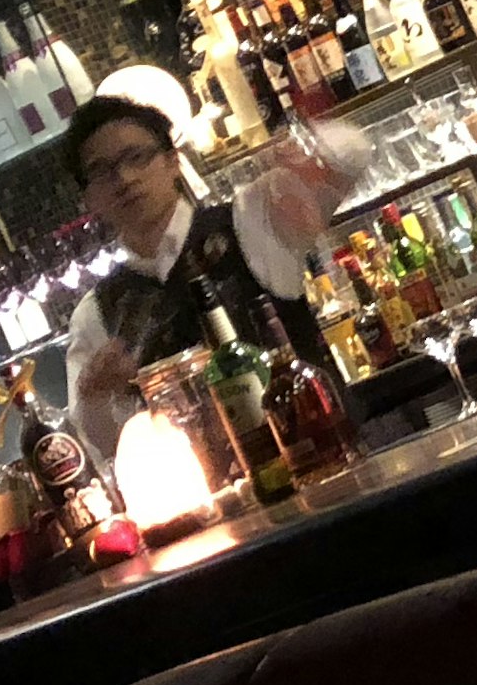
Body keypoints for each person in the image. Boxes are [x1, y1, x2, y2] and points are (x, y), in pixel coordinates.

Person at [49, 93, 318, 471]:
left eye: (136, 157)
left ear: (174, 161)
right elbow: (108, 450)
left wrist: (301, 156)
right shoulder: (95, 314)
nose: (124, 178)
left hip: (319, 454)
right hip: (222, 505)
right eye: (101, 171)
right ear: (89, 198)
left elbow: (351, 154)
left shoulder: (249, 223)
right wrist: (94, 396)